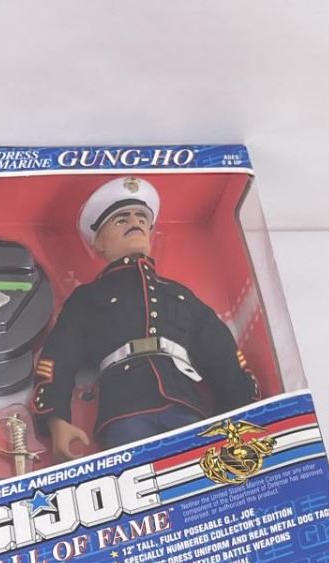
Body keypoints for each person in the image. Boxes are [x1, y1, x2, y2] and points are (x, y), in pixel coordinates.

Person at [31, 176, 258, 457]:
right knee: (137, 470)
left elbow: (223, 354)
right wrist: (56, 420)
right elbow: (57, 359)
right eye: (121, 219)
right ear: (99, 241)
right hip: (125, 408)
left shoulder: (178, 294)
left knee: (197, 470)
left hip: (184, 402)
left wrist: (242, 412)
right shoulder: (87, 298)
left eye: (141, 218)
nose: (134, 222)